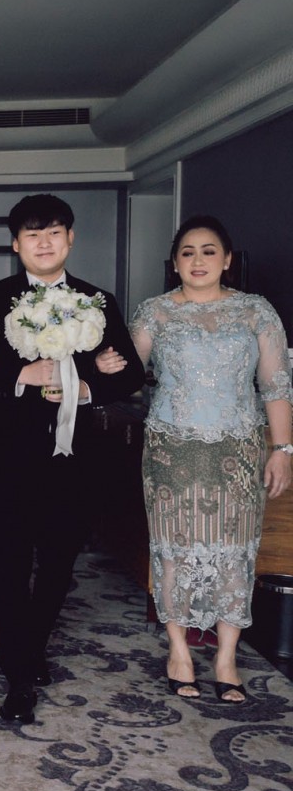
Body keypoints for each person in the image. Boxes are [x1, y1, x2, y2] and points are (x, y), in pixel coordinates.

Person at [0, 193, 144, 725]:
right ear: (16, 244)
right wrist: (19, 374)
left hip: (75, 457)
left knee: (59, 563)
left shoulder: (98, 300)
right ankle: (18, 675)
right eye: (32, 234)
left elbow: (132, 373)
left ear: (70, 238)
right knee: (10, 563)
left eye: (54, 232)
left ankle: (32, 646)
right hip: (8, 455)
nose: (43, 243)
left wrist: (89, 385)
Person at [127, 215, 291, 703]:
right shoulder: (154, 312)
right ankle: (178, 650)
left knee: (236, 551)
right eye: (187, 252)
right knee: (173, 548)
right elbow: (126, 375)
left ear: (227, 259)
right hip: (171, 450)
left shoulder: (255, 311)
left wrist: (282, 449)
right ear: (175, 263)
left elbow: (276, 386)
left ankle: (226, 658)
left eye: (208, 251)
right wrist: (98, 364)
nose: (198, 260)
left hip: (238, 449)